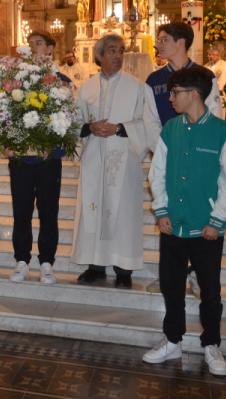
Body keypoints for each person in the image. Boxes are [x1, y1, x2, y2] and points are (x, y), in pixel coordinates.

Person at [143, 67, 226, 376]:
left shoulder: (223, 132)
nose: (170, 99)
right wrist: (162, 210)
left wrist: (218, 218)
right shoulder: (170, 128)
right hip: (173, 224)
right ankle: (172, 341)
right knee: (172, 286)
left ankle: (211, 344)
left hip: (206, 227)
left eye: (175, 93)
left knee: (210, 291)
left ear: (193, 94)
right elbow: (156, 172)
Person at [72, 33, 161, 288]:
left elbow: (146, 122)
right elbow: (74, 123)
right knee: (94, 210)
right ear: (98, 55)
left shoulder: (137, 87)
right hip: (92, 160)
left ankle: (124, 270)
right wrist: (89, 128)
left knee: (122, 213)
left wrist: (120, 128)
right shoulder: (85, 88)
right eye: (112, 51)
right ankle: (95, 266)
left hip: (123, 159)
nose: (118, 55)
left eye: (121, 51)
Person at [6, 31, 73, 285]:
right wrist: (8, 145)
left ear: (50, 49)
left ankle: (46, 262)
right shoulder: (15, 82)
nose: (33, 48)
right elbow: (6, 114)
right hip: (21, 160)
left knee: (48, 211)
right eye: (30, 44)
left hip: (48, 159)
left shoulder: (62, 82)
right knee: (21, 210)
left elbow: (68, 120)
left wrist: (52, 143)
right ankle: (21, 261)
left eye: (38, 44)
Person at [147, 22, 221, 127]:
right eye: (159, 40)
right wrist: (164, 142)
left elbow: (214, 114)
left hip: (200, 140)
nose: (158, 45)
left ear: (181, 42)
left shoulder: (205, 75)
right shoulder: (153, 80)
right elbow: (150, 121)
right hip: (165, 141)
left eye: (164, 40)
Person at [207, 49, 226, 119]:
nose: (211, 56)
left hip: (221, 96)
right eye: (209, 55)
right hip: (208, 96)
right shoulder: (205, 67)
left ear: (219, 56)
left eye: (213, 54)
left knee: (221, 114)